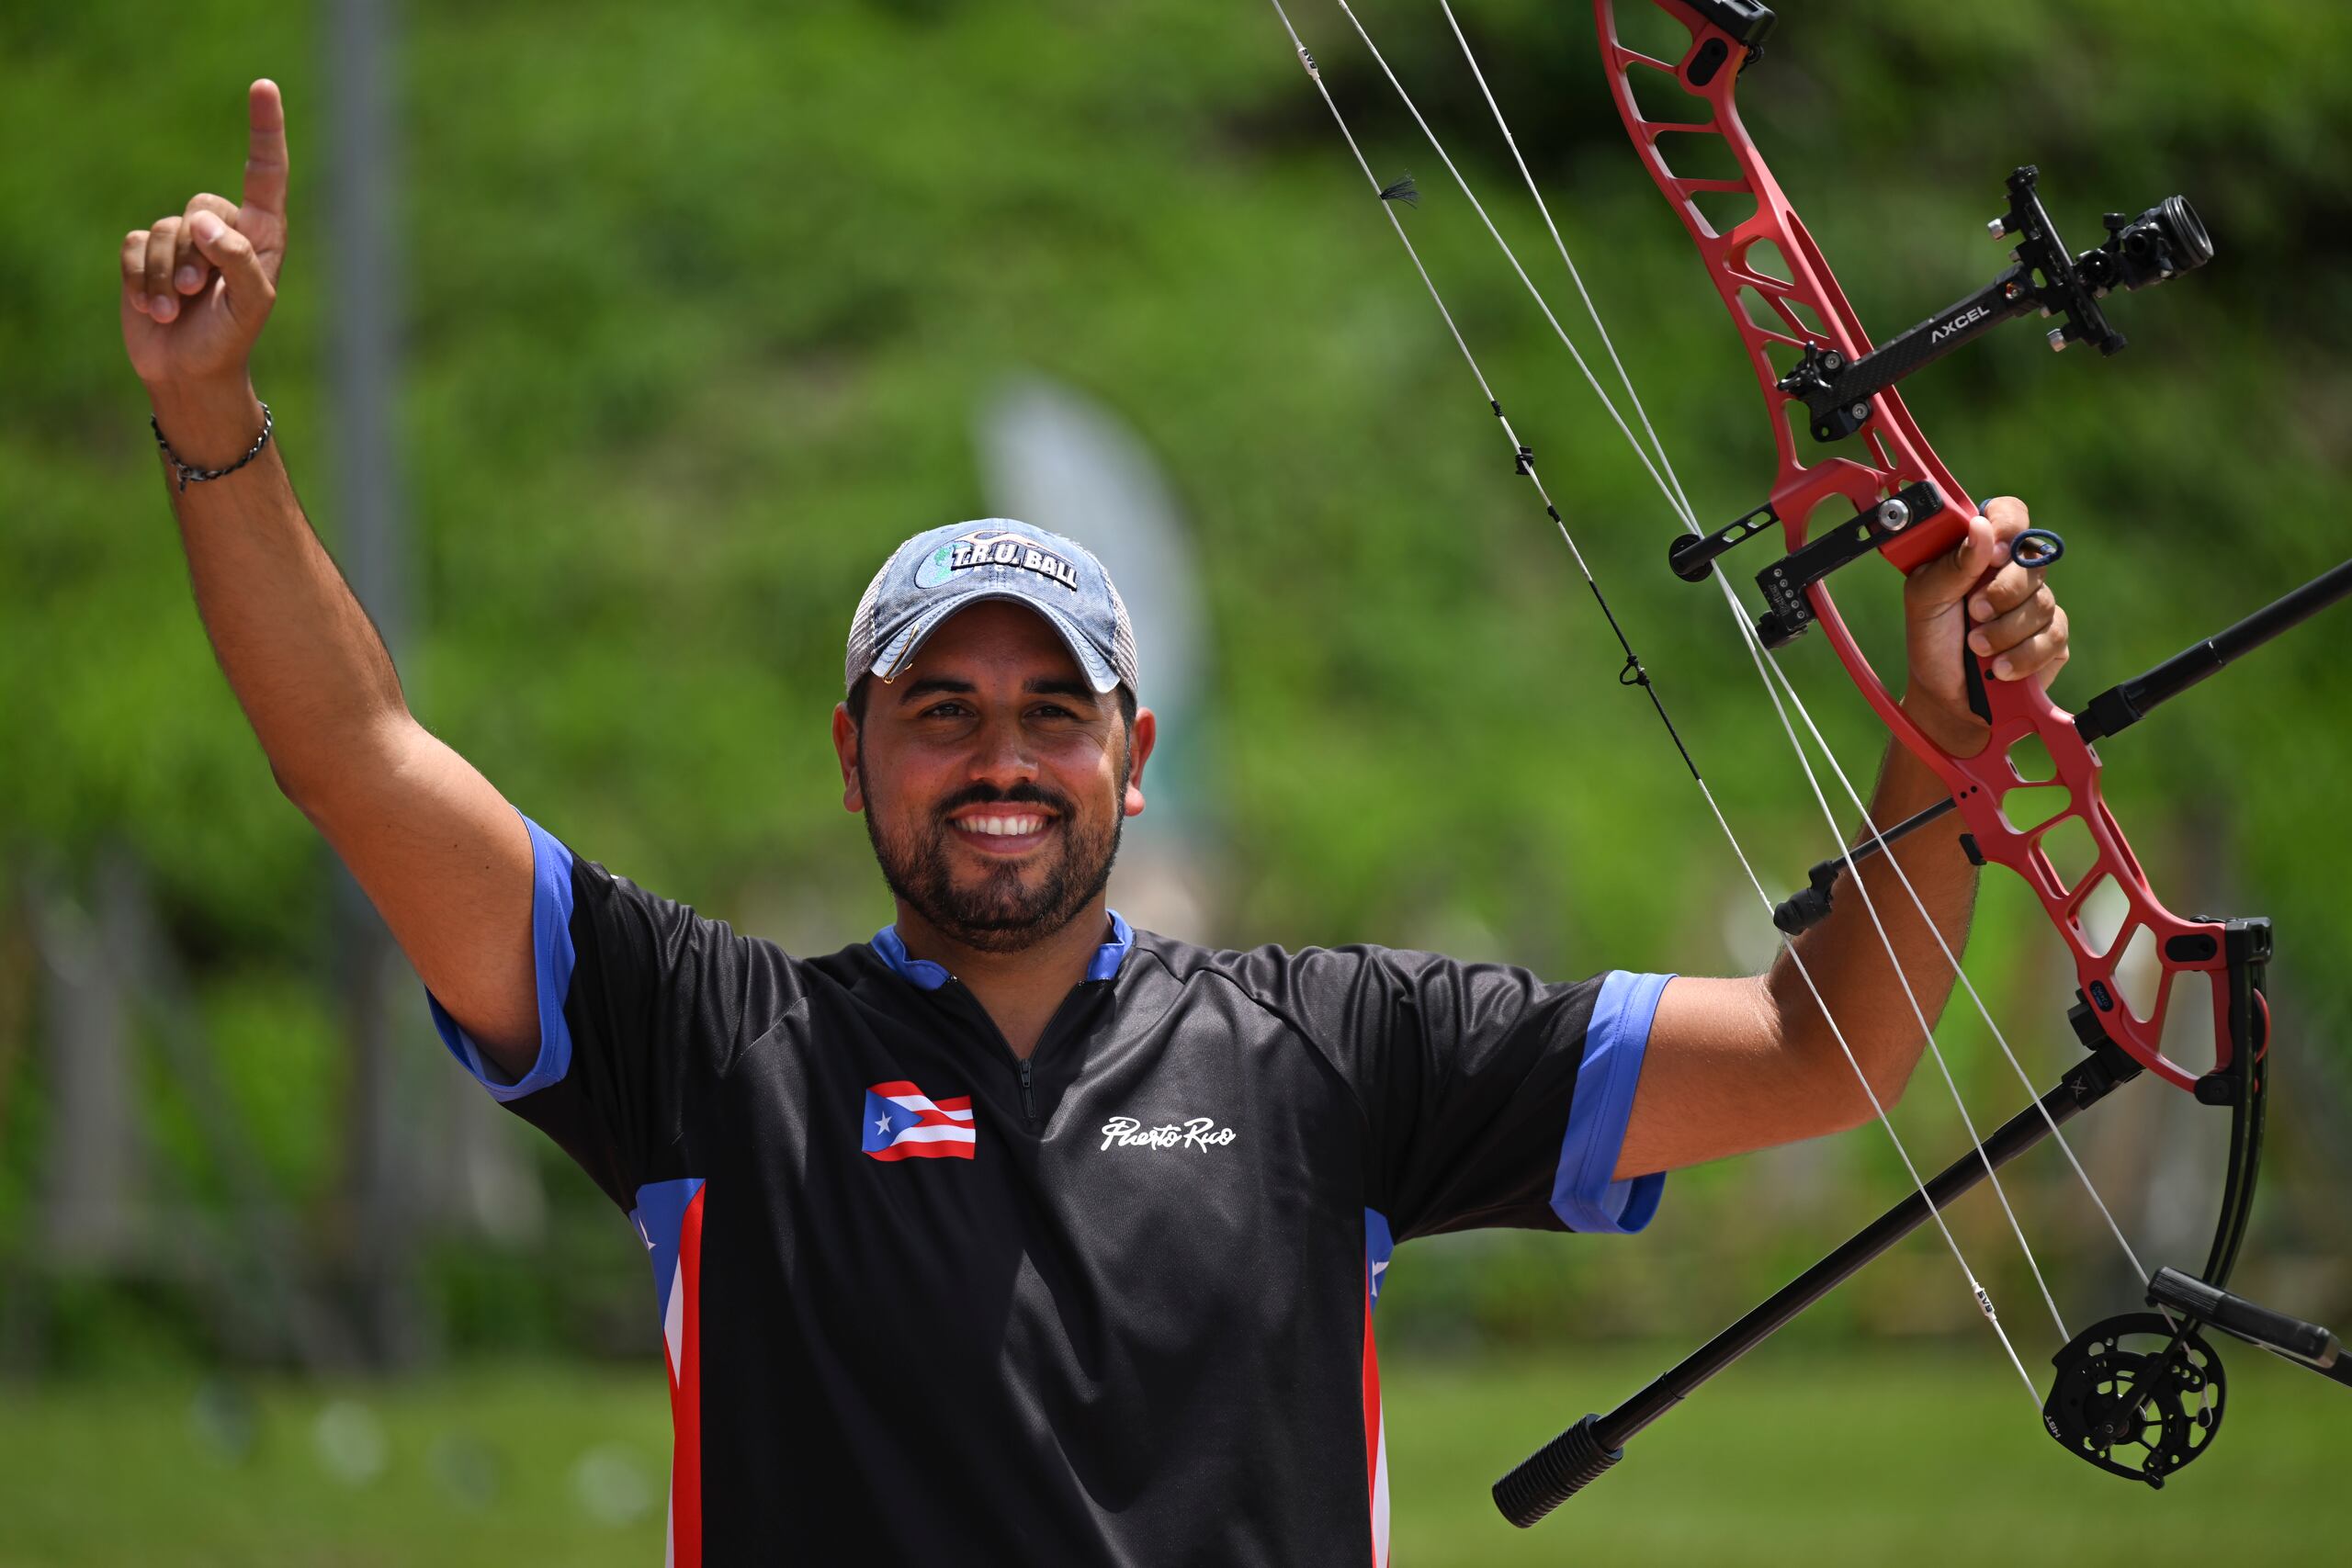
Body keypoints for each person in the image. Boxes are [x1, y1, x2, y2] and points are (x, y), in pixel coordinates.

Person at [121, 81, 2073, 1567]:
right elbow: (355, 752)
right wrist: (215, 414)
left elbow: (1825, 1050)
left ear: (1134, 754)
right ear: (851, 746)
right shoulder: (711, 1052)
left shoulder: (1338, 1054)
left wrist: (1939, 728)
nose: (998, 754)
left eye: (1051, 711)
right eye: (941, 707)